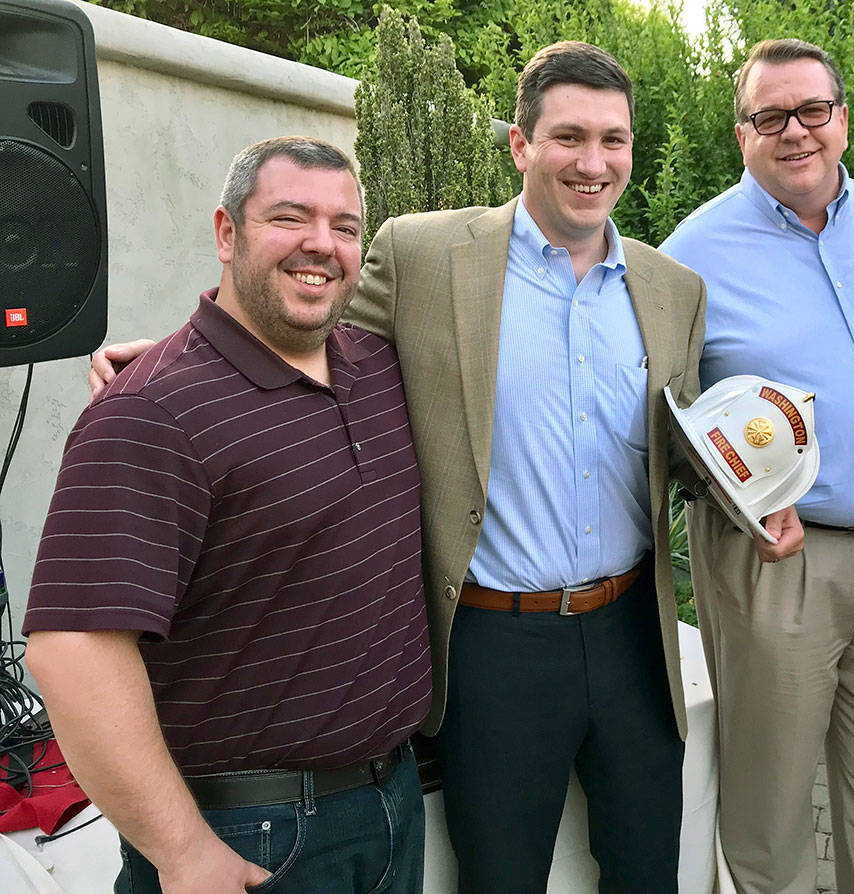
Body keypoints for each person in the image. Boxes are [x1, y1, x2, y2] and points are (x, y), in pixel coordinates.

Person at [89, 41, 794, 893]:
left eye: (615, 139)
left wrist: (749, 498)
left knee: (649, 868)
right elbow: (308, 313)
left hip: (632, 636)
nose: (594, 161)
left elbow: (681, 447)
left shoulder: (671, 287)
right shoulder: (424, 256)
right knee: (501, 876)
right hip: (493, 642)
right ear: (521, 145)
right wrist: (177, 355)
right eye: (569, 136)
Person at [25, 137, 434, 894]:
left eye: (346, 227)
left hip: (391, 803)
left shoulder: (378, 367)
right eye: (290, 217)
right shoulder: (151, 412)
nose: (323, 244)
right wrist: (181, 852)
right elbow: (72, 650)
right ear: (226, 232)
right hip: (249, 835)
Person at [660, 38, 854, 894]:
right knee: (770, 805)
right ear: (742, 133)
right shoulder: (691, 252)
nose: (796, 132)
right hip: (774, 562)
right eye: (769, 116)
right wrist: (736, 503)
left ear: (843, 119)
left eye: (812, 110)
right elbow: (659, 421)